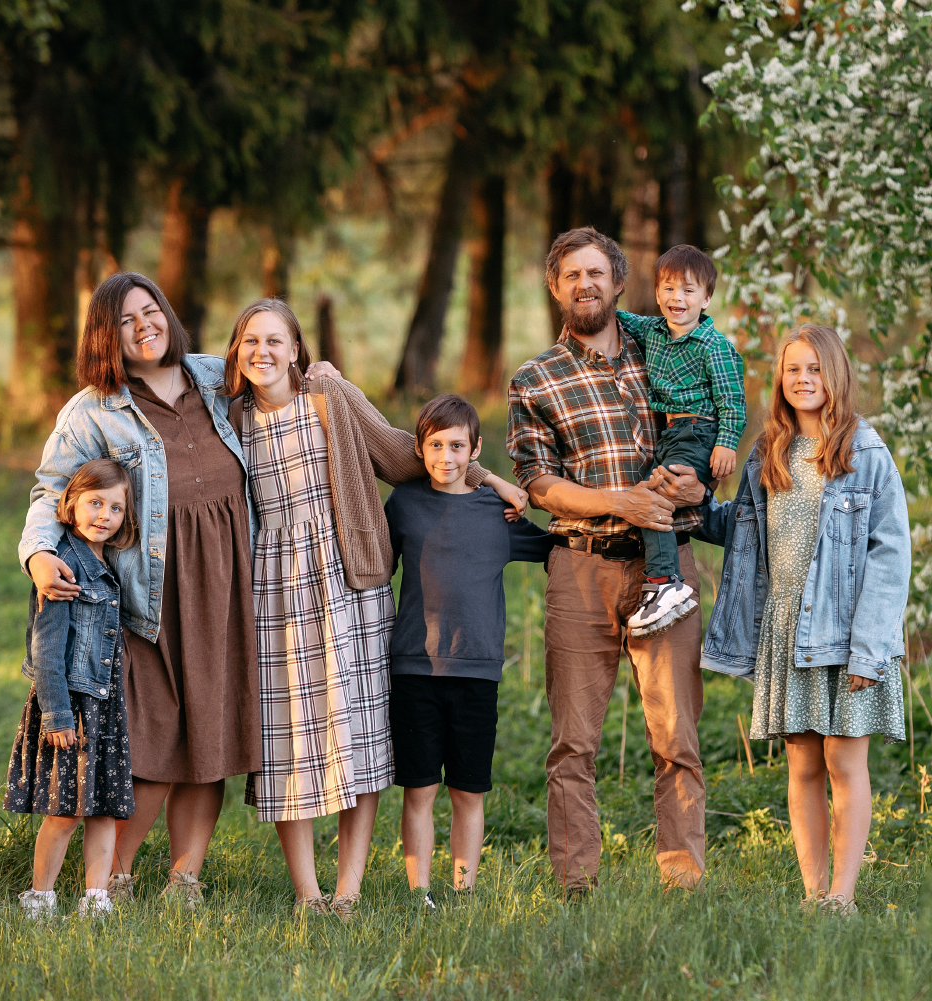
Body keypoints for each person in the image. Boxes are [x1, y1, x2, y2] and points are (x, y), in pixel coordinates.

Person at [18, 272, 338, 908]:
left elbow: (279, 368)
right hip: (149, 593)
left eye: (151, 312)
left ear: (168, 313)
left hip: (228, 580)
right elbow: (49, 489)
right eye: (126, 322)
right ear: (105, 339)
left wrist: (320, 374)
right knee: (153, 737)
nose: (144, 327)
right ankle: (113, 878)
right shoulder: (93, 409)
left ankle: (184, 878)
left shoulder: (214, 376)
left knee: (209, 734)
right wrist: (37, 554)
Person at [225, 299, 528, 918]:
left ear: (297, 349)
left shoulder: (328, 395)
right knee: (290, 744)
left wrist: (490, 478)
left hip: (348, 585)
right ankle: (308, 894)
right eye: (251, 341)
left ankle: (349, 891)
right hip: (273, 593)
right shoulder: (229, 420)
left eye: (276, 340)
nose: (263, 352)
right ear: (236, 351)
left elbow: (407, 453)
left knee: (355, 738)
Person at [507, 226, 713, 895]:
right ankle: (575, 882)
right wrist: (617, 502)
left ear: (618, 282)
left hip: (668, 569)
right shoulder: (535, 378)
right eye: (571, 275)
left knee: (675, 736)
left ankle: (681, 877)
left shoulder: (667, 352)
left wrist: (699, 482)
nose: (584, 284)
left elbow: (704, 424)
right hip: (580, 566)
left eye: (596, 273)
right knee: (572, 742)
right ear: (554, 287)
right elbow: (539, 483)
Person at [696, 324, 910, 915]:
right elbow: (739, 529)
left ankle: (843, 895)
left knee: (844, 759)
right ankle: (812, 893)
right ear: (780, 380)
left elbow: (890, 554)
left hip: (846, 632)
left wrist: (872, 648)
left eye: (814, 368)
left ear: (835, 374)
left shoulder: (864, 451)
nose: (803, 380)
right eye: (793, 370)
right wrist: (683, 503)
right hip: (786, 628)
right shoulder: (770, 453)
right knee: (803, 762)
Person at [384, 394, 555, 910]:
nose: (446, 456)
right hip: (414, 666)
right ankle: (420, 895)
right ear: (419, 448)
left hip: (478, 673)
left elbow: (554, 548)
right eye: (435, 445)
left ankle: (463, 891)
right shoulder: (405, 504)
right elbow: (374, 569)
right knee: (419, 791)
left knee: (468, 791)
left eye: (457, 445)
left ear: (475, 449)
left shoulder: (496, 514)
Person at [6, 458, 137, 920]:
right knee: (64, 811)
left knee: (104, 808)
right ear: (70, 504)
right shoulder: (61, 567)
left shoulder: (111, 565)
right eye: (94, 503)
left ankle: (95, 900)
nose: (104, 515)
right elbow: (46, 648)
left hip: (104, 707)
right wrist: (57, 715)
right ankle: (40, 899)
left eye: (115, 508)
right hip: (71, 707)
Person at [615, 245, 746, 638]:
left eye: (689, 291)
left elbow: (732, 400)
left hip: (701, 431)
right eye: (669, 288)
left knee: (654, 494)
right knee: (658, 493)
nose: (678, 298)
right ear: (658, 293)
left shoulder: (714, 346)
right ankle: (668, 580)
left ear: (706, 299)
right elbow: (616, 316)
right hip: (672, 432)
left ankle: (665, 583)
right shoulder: (652, 331)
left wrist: (725, 443)